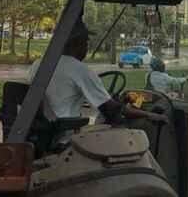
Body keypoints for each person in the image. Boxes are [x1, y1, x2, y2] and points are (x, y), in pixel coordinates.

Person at [27, 19, 166, 124]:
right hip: (64, 136)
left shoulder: (38, 64)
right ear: (75, 43)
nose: (87, 47)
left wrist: (109, 99)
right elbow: (111, 112)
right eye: (86, 42)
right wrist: (148, 115)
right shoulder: (79, 69)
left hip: (42, 132)